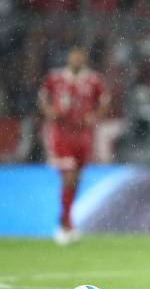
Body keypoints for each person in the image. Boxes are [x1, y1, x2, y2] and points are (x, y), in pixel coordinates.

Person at [38, 47, 109, 245]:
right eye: (74, 55)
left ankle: (65, 220)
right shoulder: (55, 78)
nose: (77, 59)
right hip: (62, 134)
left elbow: (105, 101)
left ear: (84, 58)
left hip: (84, 136)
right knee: (68, 177)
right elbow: (42, 97)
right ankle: (66, 225)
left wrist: (94, 116)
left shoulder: (94, 80)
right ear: (68, 57)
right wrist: (50, 111)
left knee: (76, 179)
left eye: (80, 56)